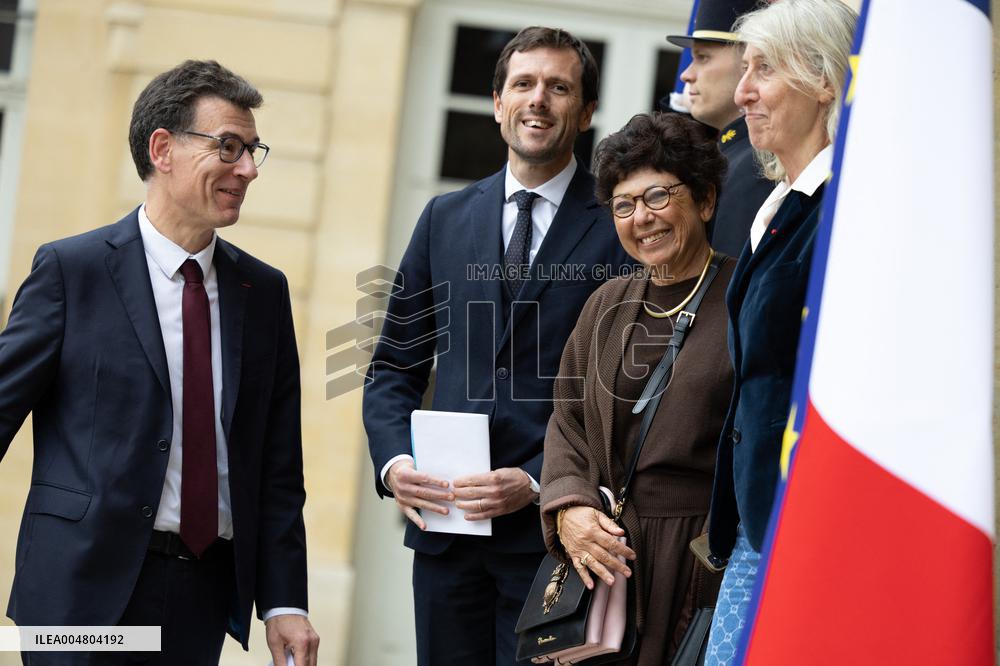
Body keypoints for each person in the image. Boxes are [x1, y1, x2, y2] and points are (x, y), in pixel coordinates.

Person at [0, 60, 319, 665]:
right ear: (163, 149)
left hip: (200, 594)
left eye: (252, 151)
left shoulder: (263, 293)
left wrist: (284, 601)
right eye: (228, 147)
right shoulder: (73, 271)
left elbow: (277, 466)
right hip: (78, 594)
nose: (248, 170)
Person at [363, 26, 633, 666]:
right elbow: (394, 365)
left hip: (554, 541)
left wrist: (540, 481)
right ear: (497, 102)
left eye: (558, 87)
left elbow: (628, 391)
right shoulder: (444, 217)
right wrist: (395, 464)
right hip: (445, 539)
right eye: (523, 84)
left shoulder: (619, 227)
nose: (538, 99)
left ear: (586, 112)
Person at [540, 111, 734, 665]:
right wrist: (569, 509)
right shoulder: (608, 303)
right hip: (606, 560)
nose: (640, 218)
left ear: (705, 200)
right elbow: (568, 420)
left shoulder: (744, 300)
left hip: (698, 558)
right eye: (623, 205)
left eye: (657, 196)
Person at [703, 2, 858, 663]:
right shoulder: (778, 206)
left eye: (763, 69)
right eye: (743, 70)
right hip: (758, 523)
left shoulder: (849, 209)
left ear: (824, 79)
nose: (742, 93)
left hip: (813, 528)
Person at [667, 0, 773, 258]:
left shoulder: (754, 164)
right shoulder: (733, 156)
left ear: (750, 59)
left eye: (702, 57)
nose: (686, 75)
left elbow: (727, 277)